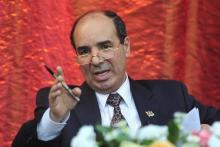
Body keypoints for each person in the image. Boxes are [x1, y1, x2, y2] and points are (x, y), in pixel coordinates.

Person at [12, 10, 220, 147]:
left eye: (105, 46)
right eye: (84, 51)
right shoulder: (61, 105)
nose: (95, 59)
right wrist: (55, 120)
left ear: (126, 47)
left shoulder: (172, 95)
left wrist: (208, 135)